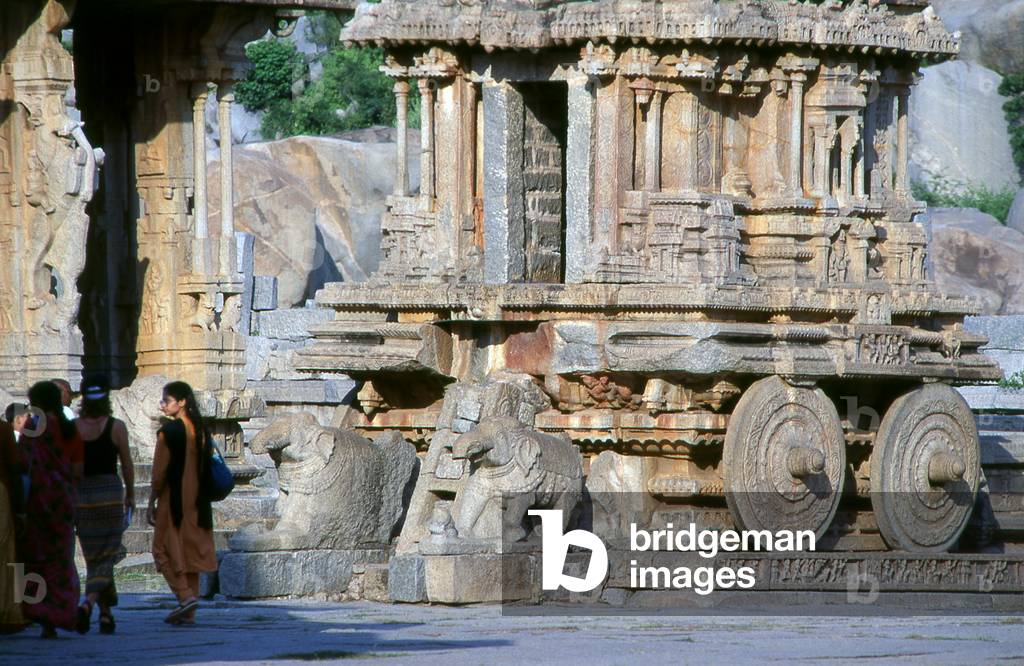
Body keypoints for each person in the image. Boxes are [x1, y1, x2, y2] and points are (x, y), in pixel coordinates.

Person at [147, 381, 216, 625]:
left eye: (167, 400)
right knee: (190, 553)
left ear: (182, 402)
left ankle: (185, 596)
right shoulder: (202, 431)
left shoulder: (169, 432)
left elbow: (158, 473)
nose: (163, 405)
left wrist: (152, 501)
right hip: (198, 501)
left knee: (162, 549)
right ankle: (189, 611)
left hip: (173, 500)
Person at [18, 381, 81, 638]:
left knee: (35, 560)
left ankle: (38, 613)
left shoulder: (34, 427)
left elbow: (23, 462)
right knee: (61, 559)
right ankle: (62, 611)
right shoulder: (70, 429)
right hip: (64, 502)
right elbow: (78, 468)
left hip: (38, 501)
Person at [73, 374, 135, 635]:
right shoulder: (116, 426)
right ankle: (89, 605)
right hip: (110, 493)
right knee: (107, 556)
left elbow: (74, 468)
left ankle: (106, 615)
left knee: (93, 557)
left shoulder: (74, 428)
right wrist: (130, 493)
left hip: (84, 495)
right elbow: (127, 463)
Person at [0, 419, 27, 634]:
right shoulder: (3, 429)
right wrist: (20, 509)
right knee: (8, 554)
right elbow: (14, 468)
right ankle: (9, 611)